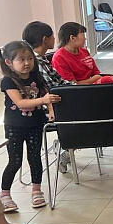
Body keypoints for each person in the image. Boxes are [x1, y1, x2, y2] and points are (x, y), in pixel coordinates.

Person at [0, 41, 60, 212]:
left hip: (35, 124)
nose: (27, 63)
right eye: (21, 59)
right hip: (15, 126)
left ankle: (36, 191)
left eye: (30, 59)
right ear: (9, 62)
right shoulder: (8, 81)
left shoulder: (36, 77)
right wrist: (43, 100)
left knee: (34, 158)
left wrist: (51, 109)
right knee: (15, 160)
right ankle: (5, 194)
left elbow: (47, 95)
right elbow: (20, 103)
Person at [22, 21, 76, 173]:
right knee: (91, 113)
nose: (55, 38)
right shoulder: (35, 63)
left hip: (58, 101)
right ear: (45, 39)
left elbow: (60, 81)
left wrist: (79, 88)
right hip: (45, 108)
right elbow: (51, 89)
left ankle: (66, 145)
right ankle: (65, 147)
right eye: (52, 35)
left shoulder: (44, 59)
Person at [51, 22, 113, 86]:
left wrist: (96, 78)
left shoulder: (84, 51)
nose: (85, 39)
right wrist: (93, 79)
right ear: (72, 38)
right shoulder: (59, 57)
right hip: (79, 90)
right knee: (108, 80)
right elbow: (72, 85)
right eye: (83, 35)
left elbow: (96, 73)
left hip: (90, 85)